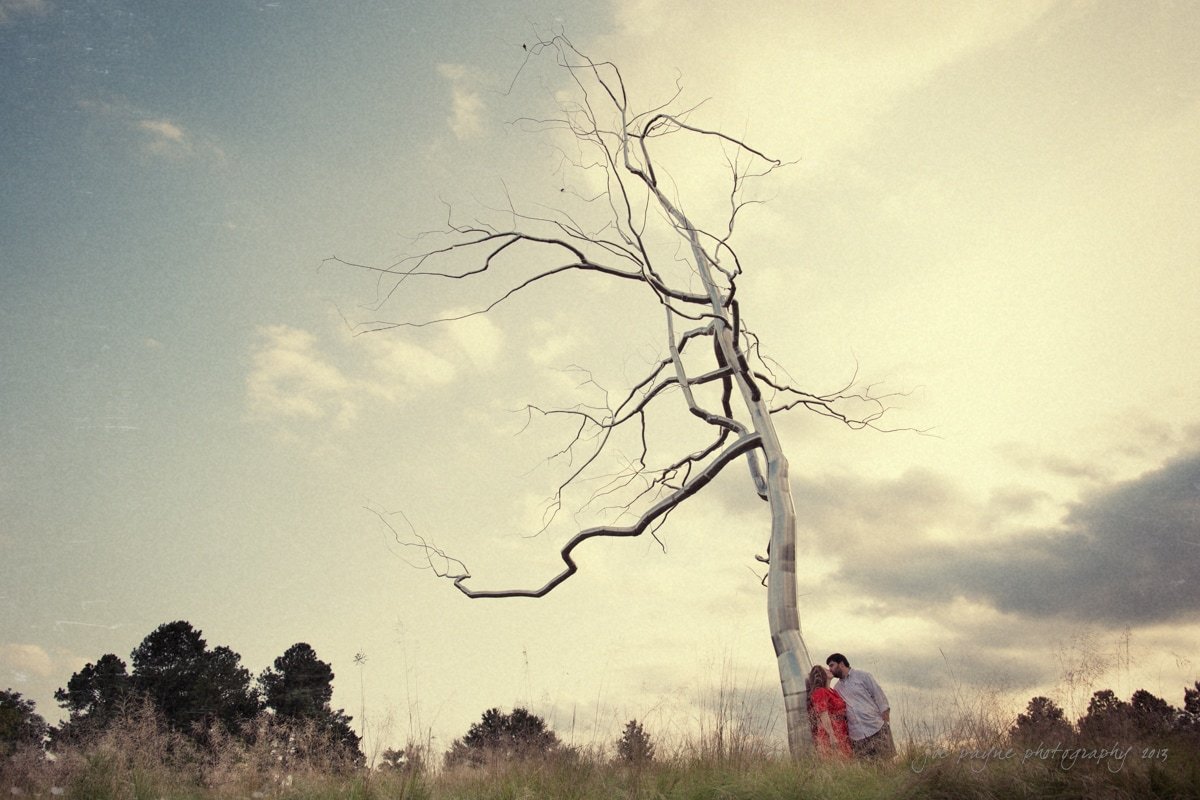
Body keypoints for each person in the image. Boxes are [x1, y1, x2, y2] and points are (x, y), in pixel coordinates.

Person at [826, 653, 894, 760]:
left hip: (877, 728)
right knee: (867, 770)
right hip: (857, 737)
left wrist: (885, 724)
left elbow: (880, 697)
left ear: (841, 664)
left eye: (831, 665)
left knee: (887, 764)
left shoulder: (863, 676)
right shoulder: (837, 688)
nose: (830, 669)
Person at [806, 664, 851, 758]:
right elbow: (823, 715)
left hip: (842, 729)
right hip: (832, 731)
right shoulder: (820, 692)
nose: (830, 670)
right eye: (826, 670)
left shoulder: (833, 691)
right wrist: (832, 735)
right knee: (837, 762)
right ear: (821, 675)